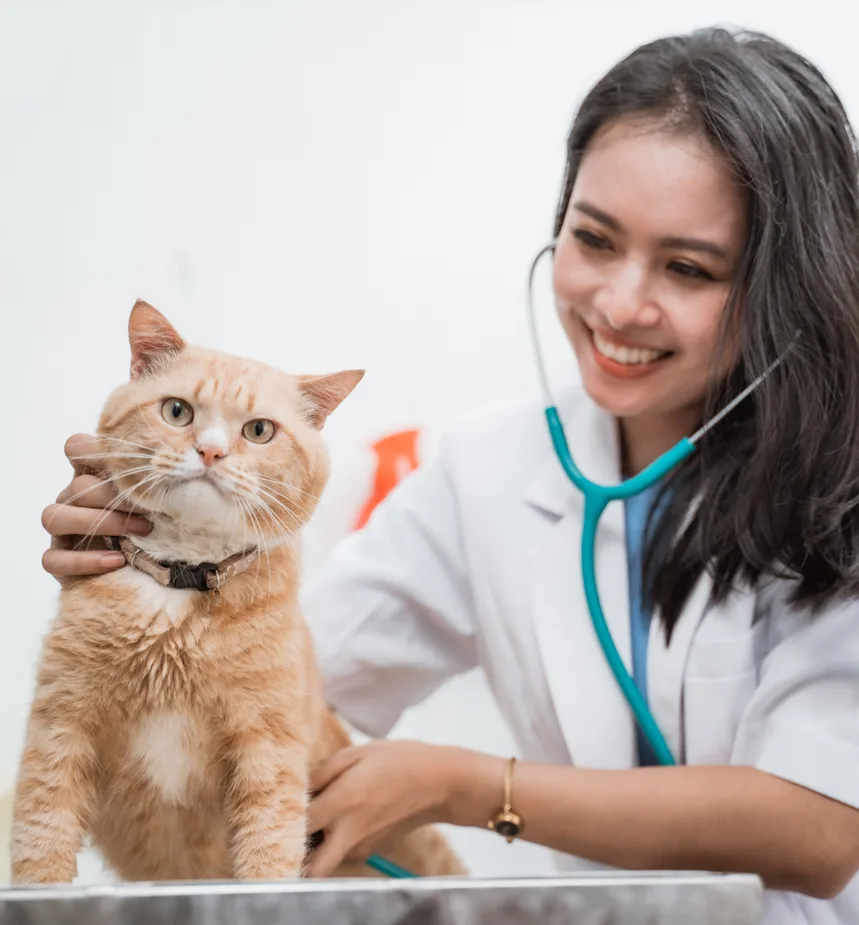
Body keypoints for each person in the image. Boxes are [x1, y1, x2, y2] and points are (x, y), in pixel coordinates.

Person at [39, 26, 859, 924]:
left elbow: (819, 828)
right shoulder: (489, 470)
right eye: (592, 239)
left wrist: (467, 784)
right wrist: (162, 552)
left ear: (786, 280)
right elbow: (291, 679)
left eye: (687, 268)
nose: (620, 304)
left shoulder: (839, 481)